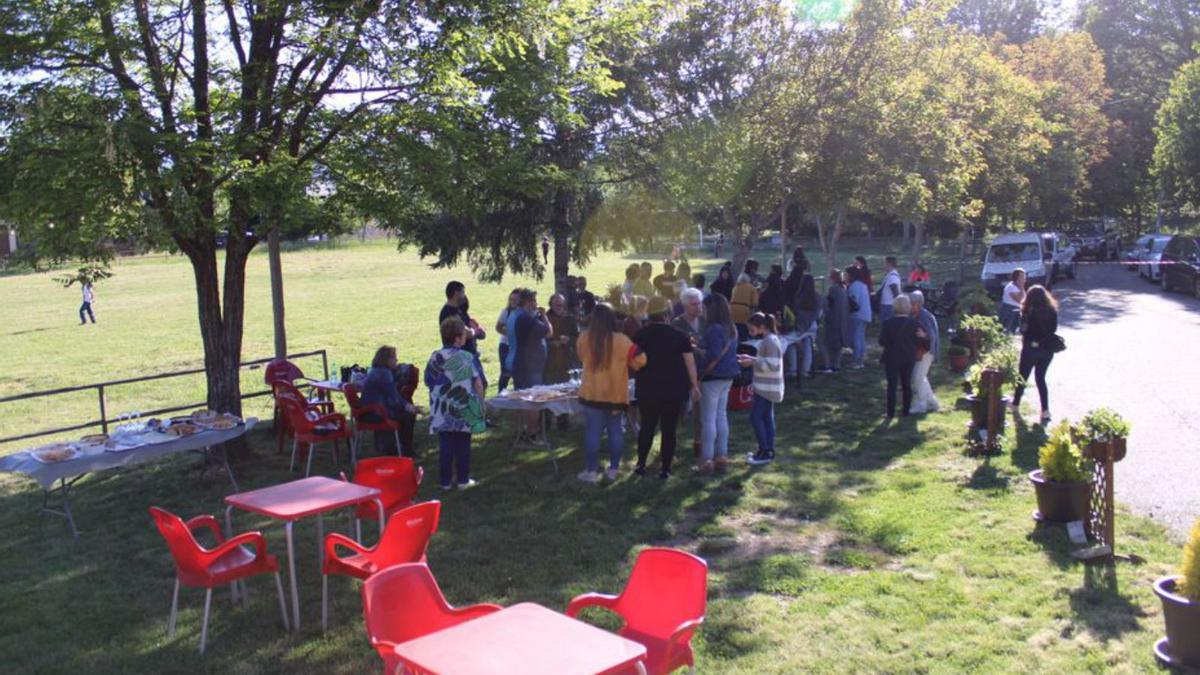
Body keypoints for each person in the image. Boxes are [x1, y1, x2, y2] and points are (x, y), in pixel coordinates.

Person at [576, 304, 646, 483]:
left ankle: (591, 471)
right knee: (615, 430)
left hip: (592, 393)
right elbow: (641, 360)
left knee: (592, 432)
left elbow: (581, 356)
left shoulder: (584, 338)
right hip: (615, 393)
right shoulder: (622, 340)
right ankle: (614, 469)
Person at [633, 296, 701, 479]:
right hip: (673, 388)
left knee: (647, 426)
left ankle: (640, 464)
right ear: (667, 313)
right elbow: (690, 363)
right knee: (669, 429)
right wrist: (694, 385)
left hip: (648, 387)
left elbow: (634, 361)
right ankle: (666, 468)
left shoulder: (640, 335)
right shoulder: (680, 336)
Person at [425, 318, 487, 489]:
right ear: (458, 338)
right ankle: (462, 479)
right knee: (463, 445)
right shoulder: (467, 357)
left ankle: (445, 481)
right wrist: (481, 403)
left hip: (442, 407)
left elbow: (428, 380)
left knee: (445, 445)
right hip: (464, 407)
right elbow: (478, 383)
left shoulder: (435, 356)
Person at [697, 293, 739, 473]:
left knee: (708, 419)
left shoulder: (713, 329)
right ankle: (722, 456)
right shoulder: (731, 328)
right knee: (721, 416)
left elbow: (712, 355)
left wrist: (696, 350)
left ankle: (707, 460)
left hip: (713, 376)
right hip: (728, 376)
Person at [739, 313, 784, 465]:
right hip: (768, 387)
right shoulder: (770, 340)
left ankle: (765, 451)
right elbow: (766, 361)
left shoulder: (769, 342)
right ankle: (767, 449)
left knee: (756, 417)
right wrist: (751, 358)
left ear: (762, 327)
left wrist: (752, 363)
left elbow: (772, 365)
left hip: (766, 387)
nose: (750, 332)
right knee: (766, 418)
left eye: (752, 329)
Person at [1010, 285, 1059, 424]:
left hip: (1030, 349)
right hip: (1047, 349)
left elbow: (1024, 331)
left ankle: (1015, 404)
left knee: (1022, 377)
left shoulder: (1028, 312)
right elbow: (1054, 329)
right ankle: (1045, 410)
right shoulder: (1052, 311)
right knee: (1041, 379)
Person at [360, 346, 417, 456]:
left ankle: (396, 446)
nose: (396, 360)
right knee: (408, 416)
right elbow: (393, 398)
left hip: (367, 411)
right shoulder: (384, 374)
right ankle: (405, 449)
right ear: (386, 359)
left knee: (406, 412)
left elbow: (393, 395)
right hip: (374, 413)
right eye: (394, 357)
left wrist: (406, 405)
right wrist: (408, 407)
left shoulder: (376, 371)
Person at [672, 287, 707, 457]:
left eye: (699, 303)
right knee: (680, 408)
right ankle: (674, 441)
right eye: (694, 304)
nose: (698, 307)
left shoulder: (705, 320)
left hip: (703, 370)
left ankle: (698, 442)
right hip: (682, 371)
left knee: (700, 408)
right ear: (685, 306)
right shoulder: (677, 323)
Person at [878, 294, 920, 419]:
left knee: (892, 385)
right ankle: (906, 410)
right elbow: (917, 341)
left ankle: (890, 412)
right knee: (906, 384)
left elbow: (882, 341)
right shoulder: (913, 323)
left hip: (892, 357)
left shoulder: (888, 323)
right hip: (908, 356)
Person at [909, 290, 940, 414]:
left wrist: (924, 334)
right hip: (920, 352)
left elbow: (932, 335)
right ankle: (932, 402)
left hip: (927, 352)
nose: (910, 306)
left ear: (918, 304)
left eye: (912, 303)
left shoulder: (924, 316)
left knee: (917, 379)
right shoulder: (915, 315)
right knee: (920, 377)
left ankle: (921, 405)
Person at [439, 281, 486, 355]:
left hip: (469, 353)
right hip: (458, 356)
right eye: (463, 292)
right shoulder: (448, 313)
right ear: (456, 293)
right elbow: (465, 333)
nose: (464, 295)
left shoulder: (460, 310)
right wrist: (475, 331)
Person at [791, 268, 820, 377]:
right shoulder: (816, 297)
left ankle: (793, 369)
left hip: (800, 325)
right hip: (812, 324)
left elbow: (795, 311)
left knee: (793, 346)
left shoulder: (798, 296)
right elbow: (819, 311)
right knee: (809, 347)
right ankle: (805, 370)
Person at [544, 293, 577, 385]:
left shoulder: (570, 318)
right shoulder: (545, 319)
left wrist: (569, 339)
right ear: (551, 304)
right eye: (557, 305)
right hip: (549, 362)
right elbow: (539, 341)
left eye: (561, 305)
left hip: (566, 361)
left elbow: (577, 338)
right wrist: (552, 344)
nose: (559, 307)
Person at [821, 269, 849, 372]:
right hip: (843, 319)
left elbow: (828, 305)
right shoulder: (844, 290)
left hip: (833, 320)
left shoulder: (833, 290)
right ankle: (837, 364)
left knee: (823, 342)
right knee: (839, 344)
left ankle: (827, 364)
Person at [495, 289, 520, 392]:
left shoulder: (524, 312)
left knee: (518, 373)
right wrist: (509, 334)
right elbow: (498, 327)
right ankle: (501, 394)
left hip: (519, 346)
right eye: (511, 299)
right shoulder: (506, 312)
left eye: (515, 299)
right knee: (505, 373)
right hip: (506, 345)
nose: (513, 302)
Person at [847, 266, 872, 368]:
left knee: (856, 337)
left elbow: (854, 302)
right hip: (865, 314)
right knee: (861, 337)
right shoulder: (862, 285)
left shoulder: (854, 286)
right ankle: (860, 360)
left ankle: (856, 360)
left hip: (858, 315)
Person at [730, 273, 758, 341]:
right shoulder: (752, 288)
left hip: (732, 309)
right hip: (744, 310)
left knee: (735, 329)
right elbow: (755, 303)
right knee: (743, 329)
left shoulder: (735, 287)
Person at [1000, 268, 1026, 334]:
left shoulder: (1018, 286)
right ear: (1017, 277)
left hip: (1017, 310)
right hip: (1009, 310)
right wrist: (1021, 287)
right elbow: (1019, 300)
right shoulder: (1011, 287)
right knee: (1008, 330)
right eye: (1022, 276)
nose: (1024, 278)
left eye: (1024, 276)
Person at [878, 256, 902, 322]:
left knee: (886, 326)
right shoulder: (890, 275)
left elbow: (895, 292)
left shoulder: (892, 276)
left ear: (889, 264)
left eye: (884, 263)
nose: (884, 265)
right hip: (886, 305)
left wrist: (898, 305)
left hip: (888, 306)